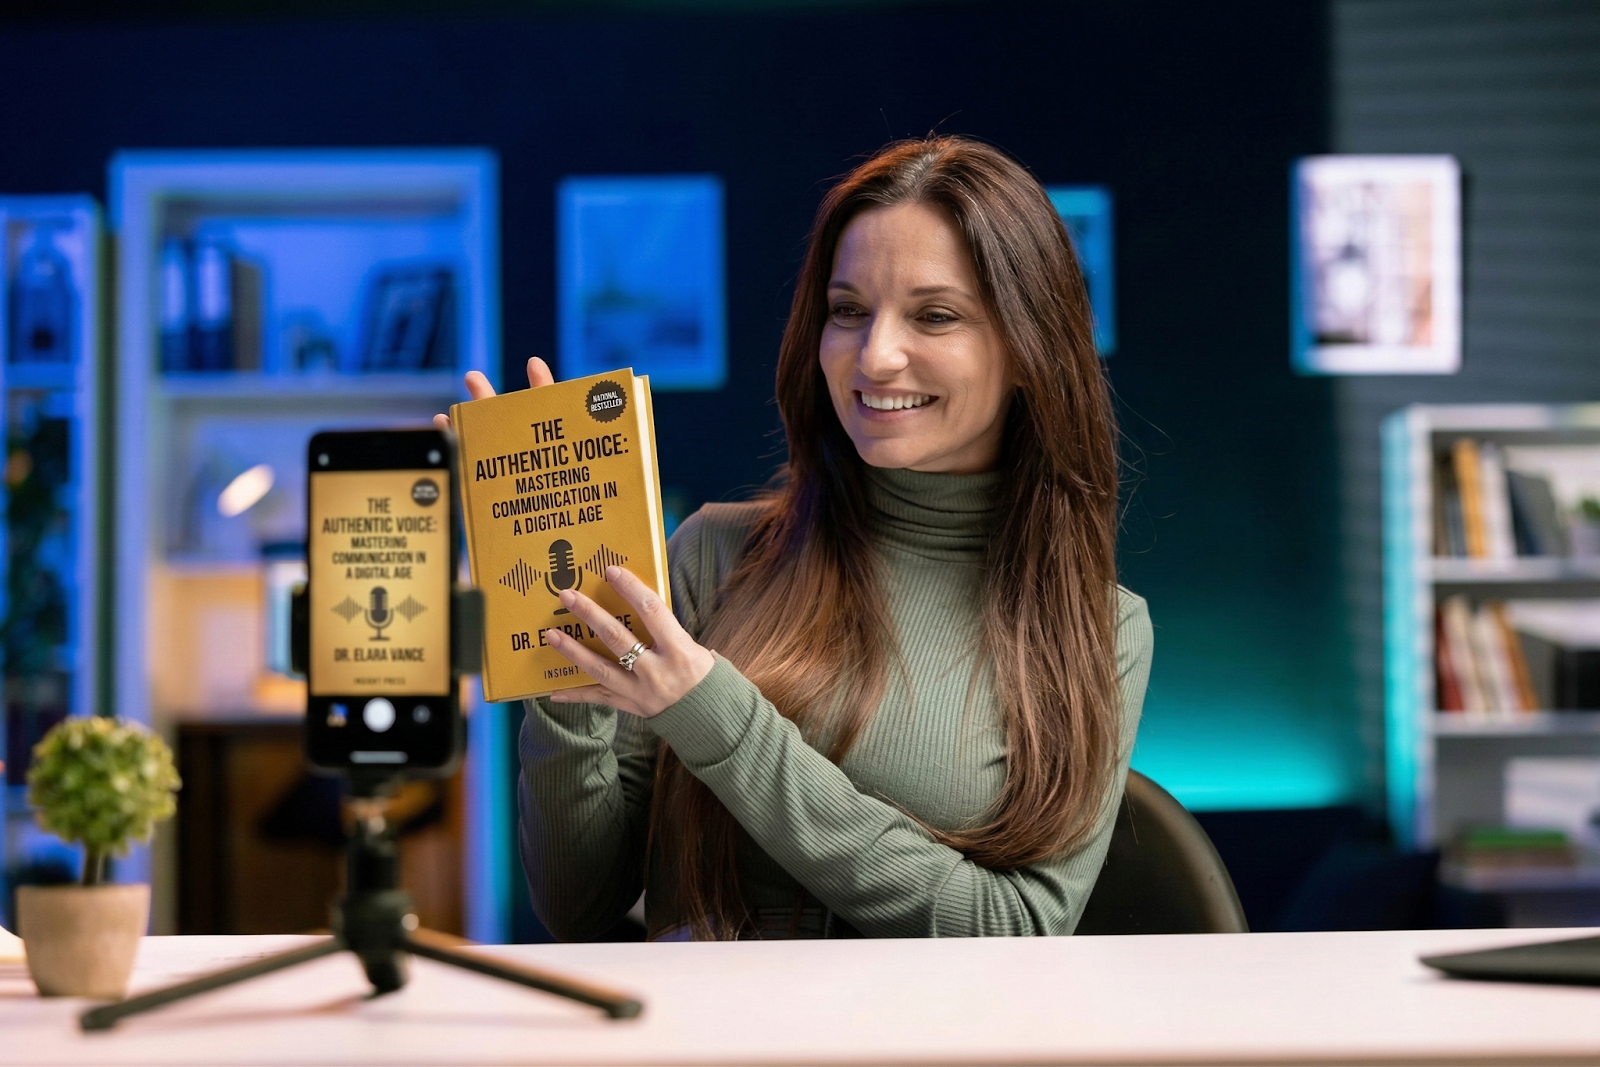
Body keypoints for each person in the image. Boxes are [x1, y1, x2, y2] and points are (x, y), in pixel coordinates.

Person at [443, 136, 1151, 940]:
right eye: (848, 311)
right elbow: (578, 903)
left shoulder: (1100, 625)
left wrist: (708, 708)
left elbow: (1014, 926)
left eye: (935, 315)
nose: (875, 355)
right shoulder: (713, 554)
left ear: (1030, 348)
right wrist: (559, 629)